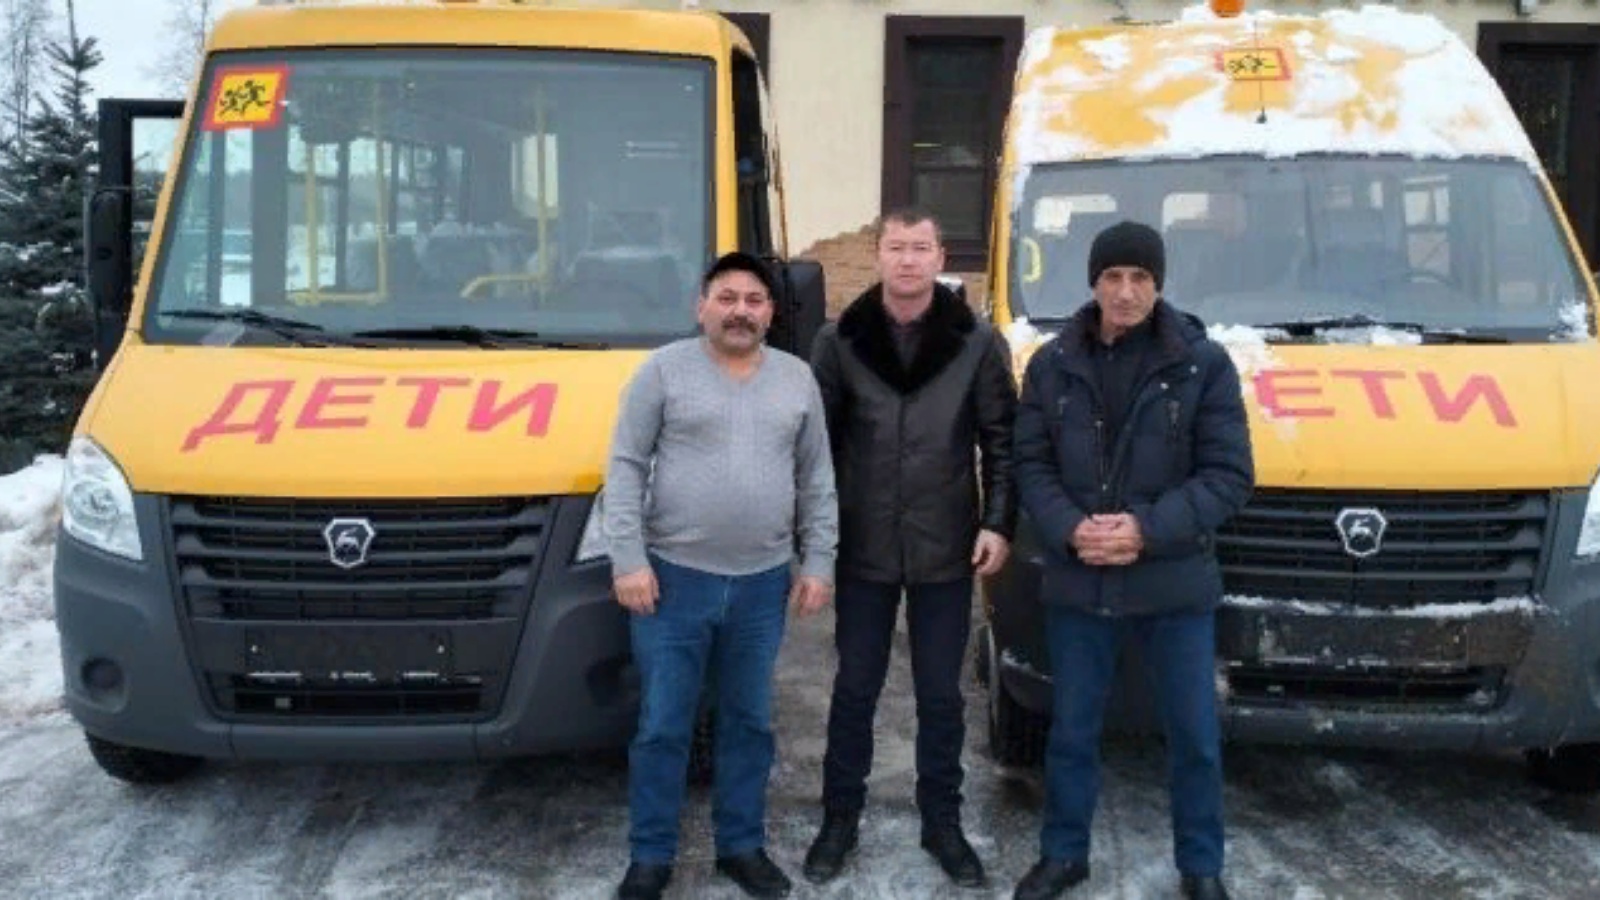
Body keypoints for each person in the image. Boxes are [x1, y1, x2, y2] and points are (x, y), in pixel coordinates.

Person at [1009, 220, 1254, 900]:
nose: (1125, 292)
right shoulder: (1053, 364)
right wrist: (1069, 528)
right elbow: (1030, 463)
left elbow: (1229, 476)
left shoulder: (1202, 365)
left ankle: (1201, 866)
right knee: (1072, 732)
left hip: (1172, 586)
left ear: (1159, 284)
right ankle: (1064, 855)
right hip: (1080, 580)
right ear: (1093, 283)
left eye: (1140, 277)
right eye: (1113, 277)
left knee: (1195, 736)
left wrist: (1146, 530)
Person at [605, 251, 838, 900]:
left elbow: (817, 478)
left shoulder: (796, 379)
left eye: (754, 300)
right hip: (672, 582)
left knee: (749, 723)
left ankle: (740, 846)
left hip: (763, 584)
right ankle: (650, 855)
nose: (741, 311)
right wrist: (628, 560)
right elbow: (625, 466)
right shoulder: (663, 371)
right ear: (701, 306)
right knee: (663, 725)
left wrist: (819, 561)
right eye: (727, 298)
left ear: (771, 312)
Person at [803, 208, 1017, 889]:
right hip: (862, 545)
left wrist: (998, 523)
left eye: (920, 247)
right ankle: (840, 818)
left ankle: (942, 822)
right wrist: (816, 538)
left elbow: (1003, 441)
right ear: (877, 254)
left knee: (940, 695)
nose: (907, 260)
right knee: (854, 688)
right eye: (896, 247)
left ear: (940, 256)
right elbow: (815, 450)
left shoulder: (976, 342)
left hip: (945, 545)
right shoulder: (839, 340)